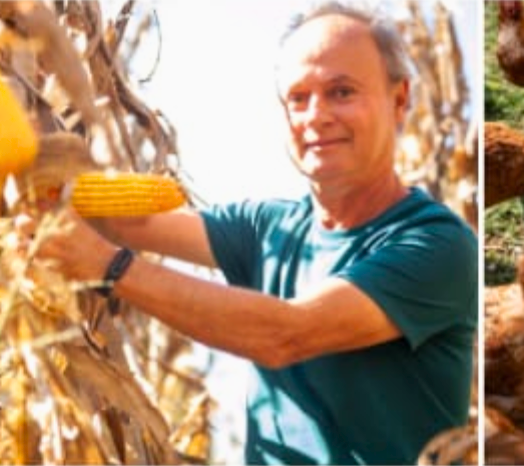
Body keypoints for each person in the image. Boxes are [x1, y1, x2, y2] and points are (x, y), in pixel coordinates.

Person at [24, 2, 477, 464]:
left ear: (399, 100)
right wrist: (38, 165)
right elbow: (125, 223)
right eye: (298, 98)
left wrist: (108, 265)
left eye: (341, 92)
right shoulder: (269, 227)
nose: (316, 116)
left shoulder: (440, 245)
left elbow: (286, 335)